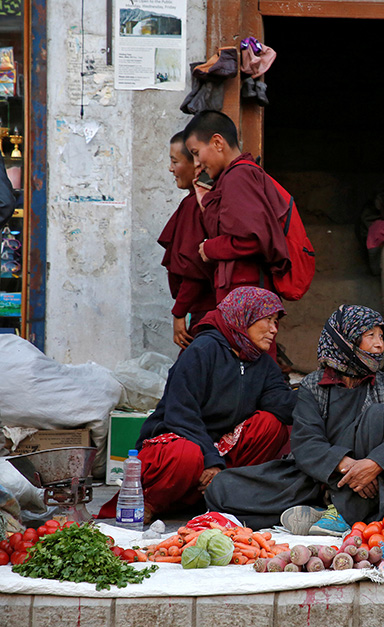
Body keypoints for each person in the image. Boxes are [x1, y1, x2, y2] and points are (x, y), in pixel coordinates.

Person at [205, 305, 384, 534]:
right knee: (222, 488)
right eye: (370, 336)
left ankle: (341, 513)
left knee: (379, 415)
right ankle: (325, 507)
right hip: (321, 476)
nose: (379, 344)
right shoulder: (314, 385)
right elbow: (306, 441)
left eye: (381, 336)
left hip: (374, 483)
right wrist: (349, 467)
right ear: (344, 340)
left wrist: (374, 465)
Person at [97, 287, 295, 522]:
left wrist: (320, 397)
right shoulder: (202, 350)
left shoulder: (261, 362)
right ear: (245, 317)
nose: (274, 329)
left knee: (270, 425)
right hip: (185, 442)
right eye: (268, 321)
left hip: (220, 453)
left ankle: (221, 496)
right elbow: (181, 415)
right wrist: (211, 459)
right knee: (186, 454)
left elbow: (282, 404)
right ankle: (151, 502)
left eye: (276, 322)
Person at [182, 110, 290, 304]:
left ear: (217, 142)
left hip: (248, 295)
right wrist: (205, 200)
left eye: (196, 153)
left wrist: (209, 248)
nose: (197, 164)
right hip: (243, 293)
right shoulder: (232, 177)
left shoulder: (238, 176)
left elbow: (253, 240)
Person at [158, 131, 216, 349]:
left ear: (196, 163)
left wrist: (179, 312)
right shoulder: (198, 200)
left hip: (205, 309)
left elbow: (194, 267)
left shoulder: (196, 205)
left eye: (175, 161)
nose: (171, 169)